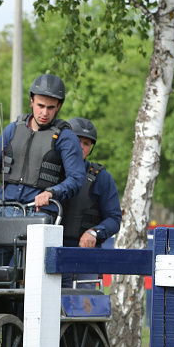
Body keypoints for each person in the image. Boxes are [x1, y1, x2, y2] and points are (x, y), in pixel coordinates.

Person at [0, 74, 86, 266]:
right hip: (5, 212)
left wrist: (52, 192)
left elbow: (76, 179)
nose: (44, 112)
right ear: (31, 101)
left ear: (59, 106)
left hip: (39, 214)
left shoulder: (65, 137)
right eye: (40, 105)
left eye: (50, 107)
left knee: (28, 279)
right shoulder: (13, 130)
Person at [61, 117, 122, 287]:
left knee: (83, 306)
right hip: (50, 251)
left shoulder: (101, 177)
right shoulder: (51, 169)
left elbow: (114, 218)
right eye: (76, 140)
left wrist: (94, 232)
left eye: (86, 143)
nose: (80, 146)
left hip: (84, 255)